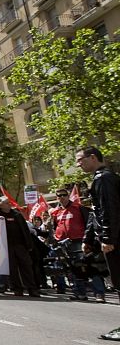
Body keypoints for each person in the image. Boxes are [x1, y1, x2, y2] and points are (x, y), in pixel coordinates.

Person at [75, 146, 120, 342]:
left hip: (115, 240)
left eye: (80, 160)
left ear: (92, 157)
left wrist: (108, 238)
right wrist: (89, 238)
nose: (78, 164)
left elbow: (109, 210)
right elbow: (95, 213)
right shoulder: (101, 178)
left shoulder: (104, 179)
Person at [0, 196, 39, 297]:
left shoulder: (17, 215)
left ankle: (32, 289)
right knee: (12, 269)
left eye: (9, 202)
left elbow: (25, 230)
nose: (9, 204)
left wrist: (29, 245)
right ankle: (17, 289)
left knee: (26, 267)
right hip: (7, 248)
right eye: (6, 203)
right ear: (0, 205)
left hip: (20, 246)